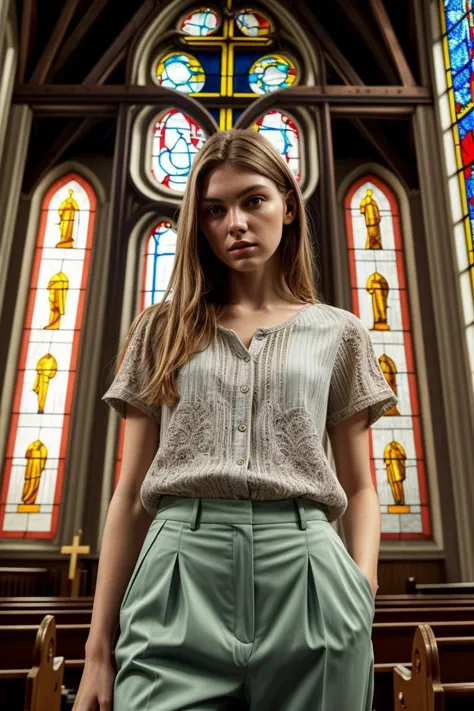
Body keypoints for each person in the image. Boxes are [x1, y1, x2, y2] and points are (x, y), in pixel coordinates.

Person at [73, 128, 398, 711]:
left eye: (254, 201)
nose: (236, 224)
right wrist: (99, 650)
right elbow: (128, 496)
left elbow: (360, 486)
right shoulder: (161, 328)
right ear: (199, 225)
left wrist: (361, 586)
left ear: (288, 206)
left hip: (309, 575)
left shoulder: (340, 332)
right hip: (179, 573)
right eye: (215, 211)